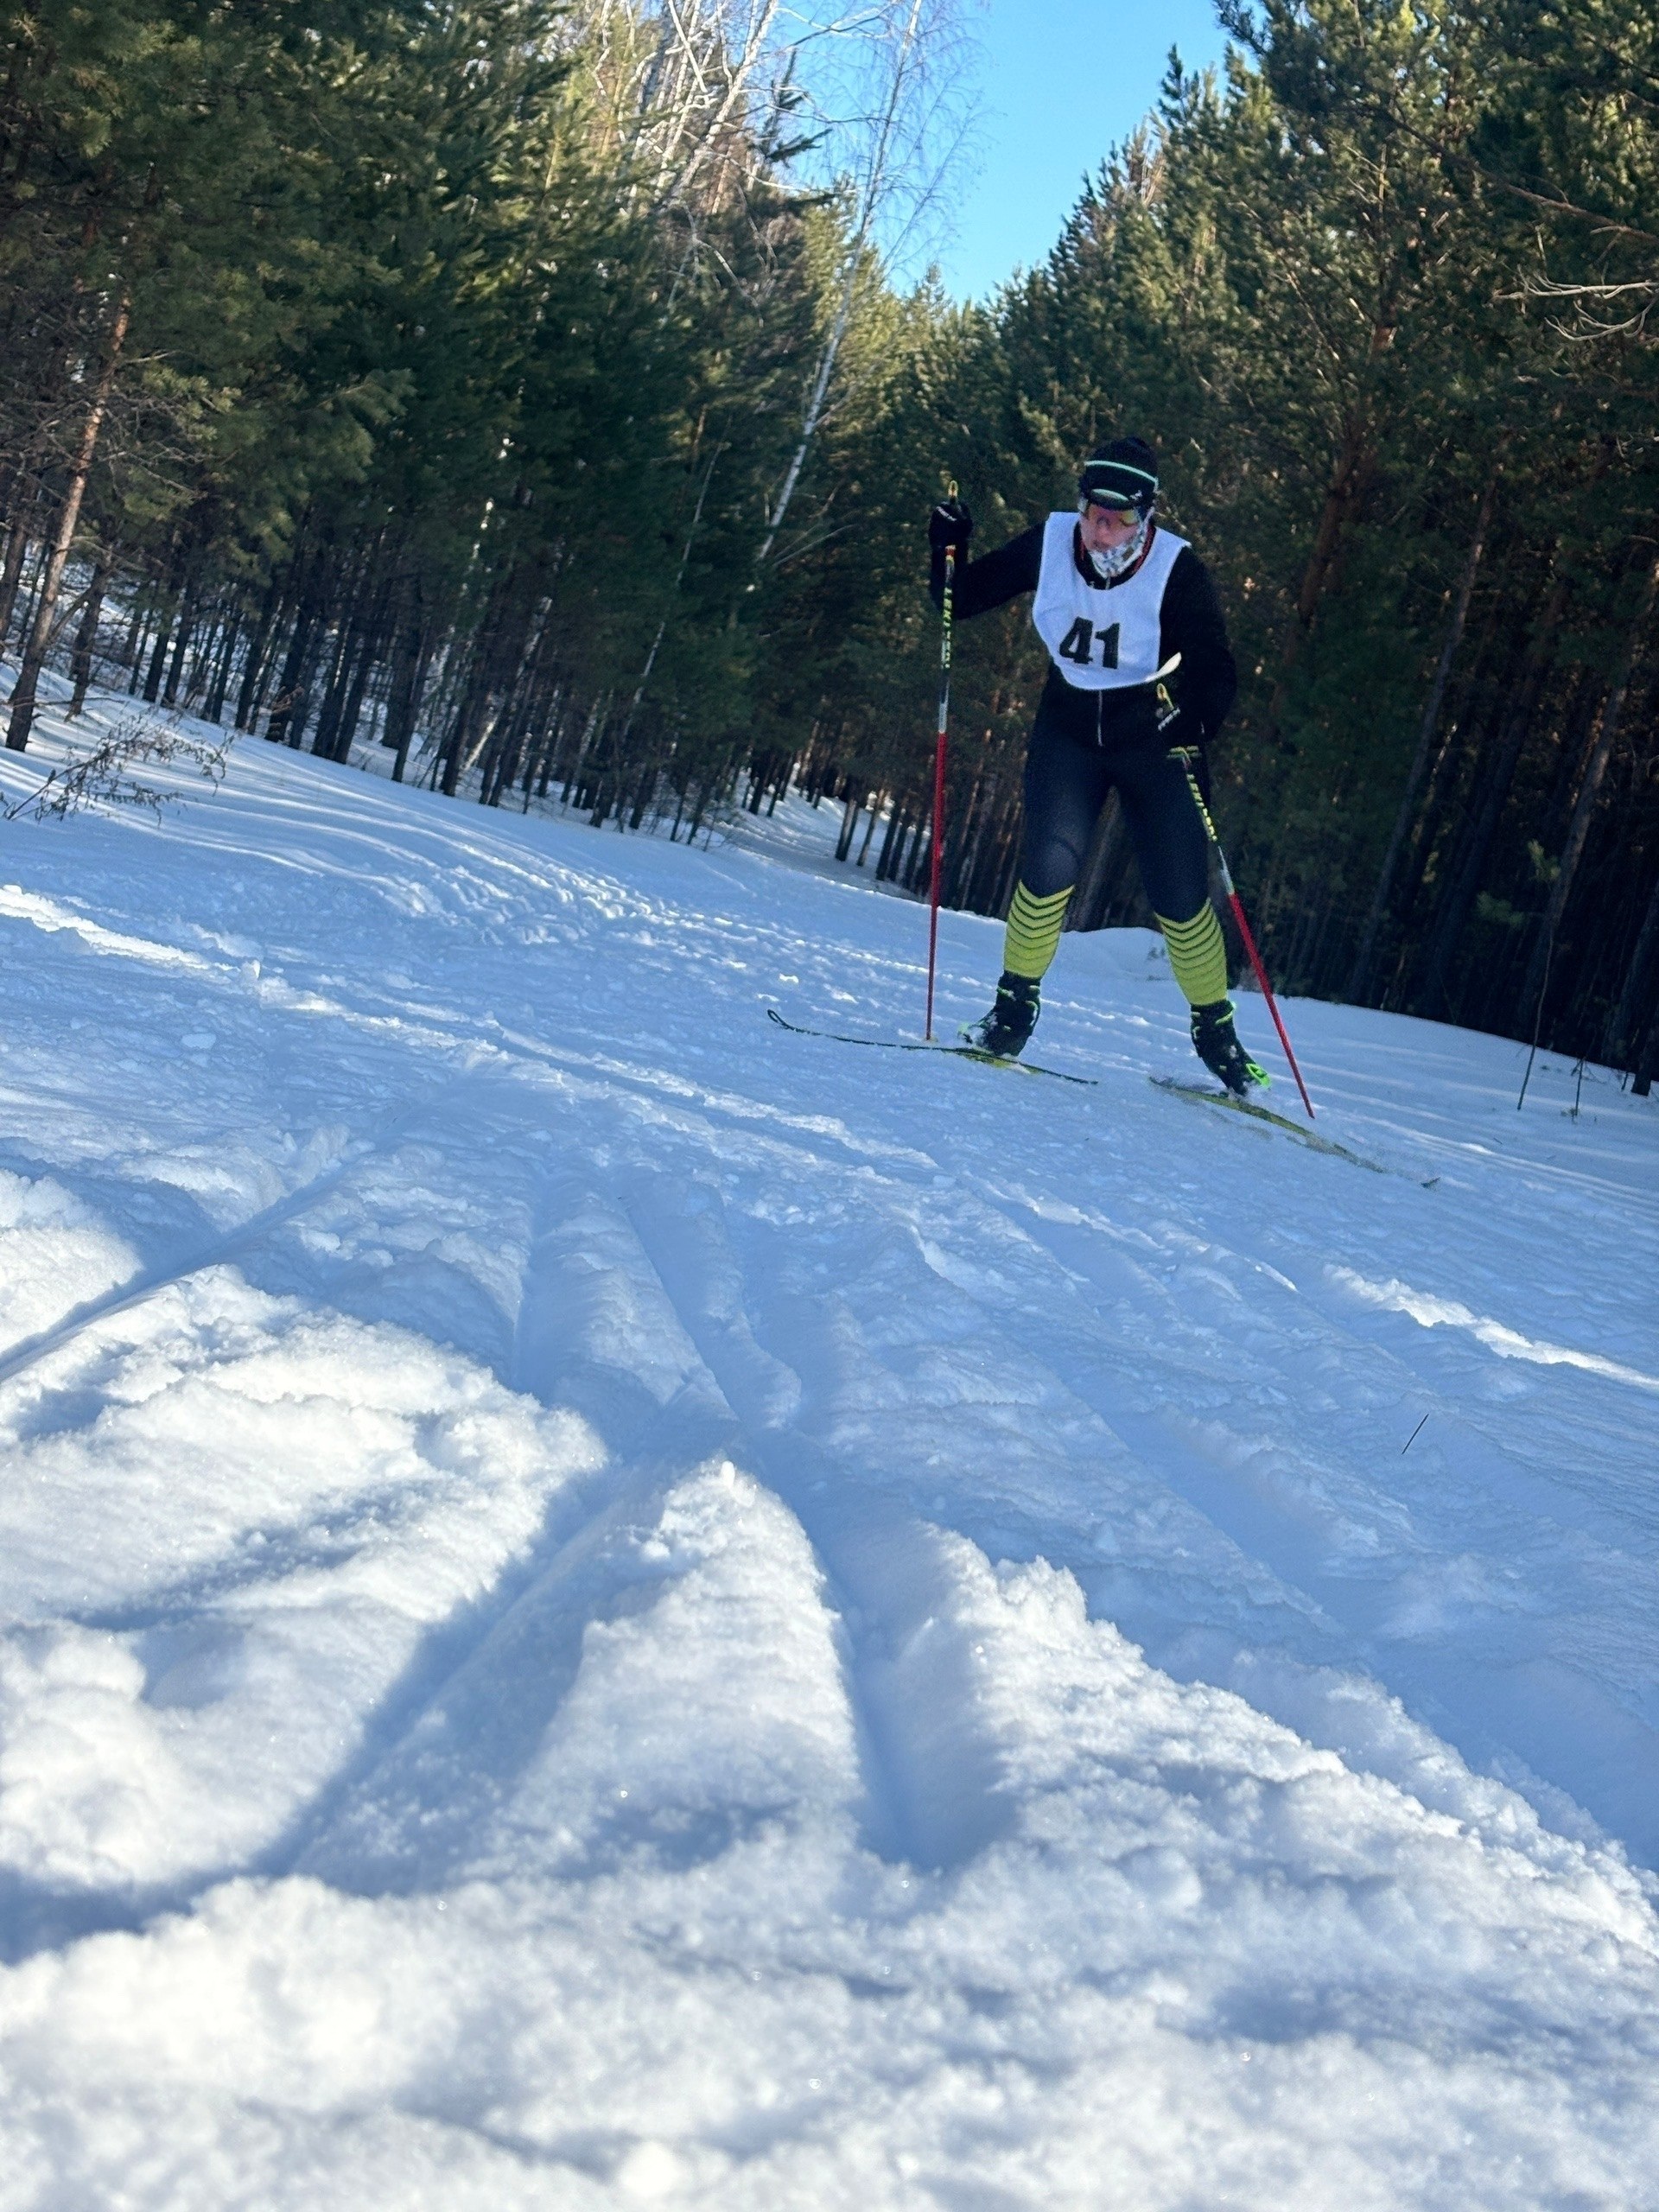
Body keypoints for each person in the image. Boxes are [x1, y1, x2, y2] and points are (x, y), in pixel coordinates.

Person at [928, 436, 1265, 1096]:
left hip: (1153, 741)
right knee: (1048, 870)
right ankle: (1011, 1012)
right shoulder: (1052, 541)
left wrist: (1197, 718)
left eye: (1118, 518)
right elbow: (956, 601)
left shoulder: (1177, 569)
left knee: (1179, 897)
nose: (1100, 529)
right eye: (1092, 512)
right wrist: (945, 548)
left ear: (1147, 518)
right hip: (1070, 732)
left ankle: (1216, 1034)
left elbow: (1216, 667)